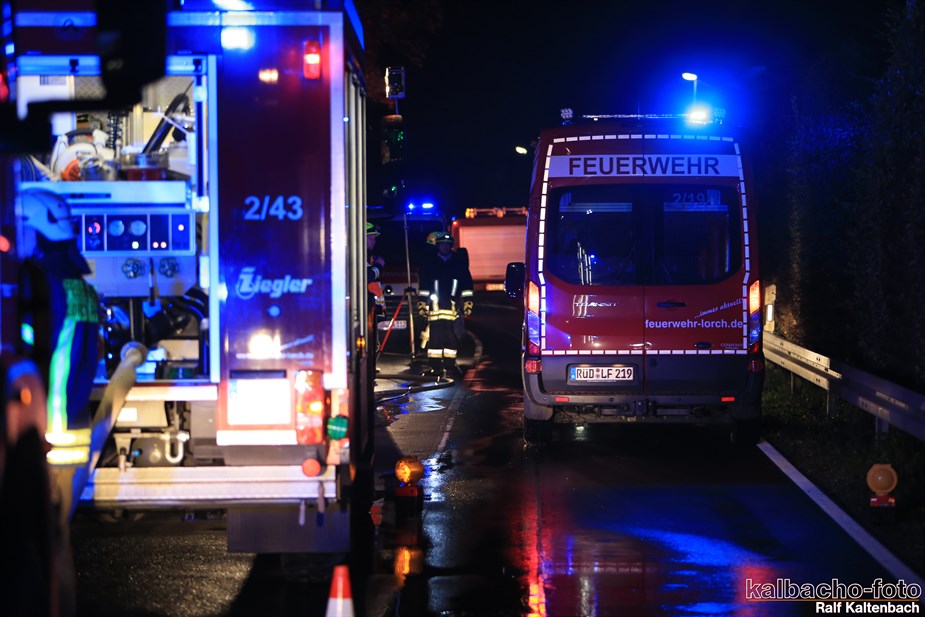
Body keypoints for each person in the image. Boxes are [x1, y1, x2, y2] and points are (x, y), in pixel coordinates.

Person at [416, 232, 473, 378]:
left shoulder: (458, 263)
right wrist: (422, 302)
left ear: (451, 246)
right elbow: (424, 285)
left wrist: (468, 302)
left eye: (448, 244)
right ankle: (436, 368)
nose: (445, 247)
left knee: (451, 338)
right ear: (438, 245)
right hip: (434, 308)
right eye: (442, 244)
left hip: (452, 308)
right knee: (435, 339)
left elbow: (467, 285)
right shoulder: (430, 263)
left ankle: (450, 366)